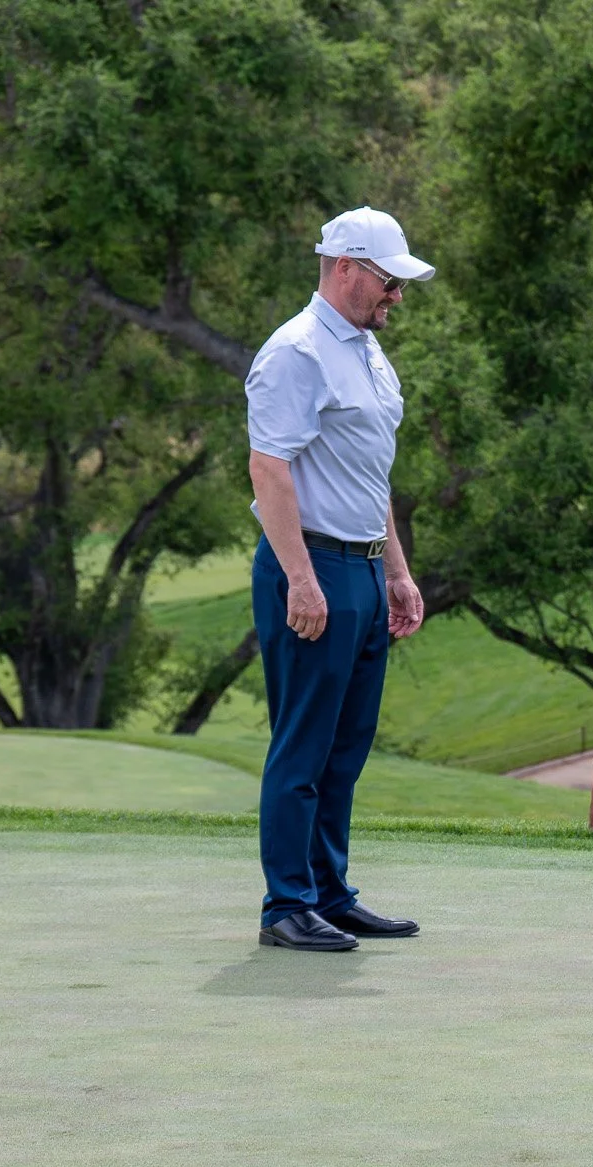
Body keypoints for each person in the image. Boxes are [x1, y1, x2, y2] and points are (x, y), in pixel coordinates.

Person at [245, 207, 434, 951]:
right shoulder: (296, 351)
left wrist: (397, 571)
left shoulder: (367, 350)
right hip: (311, 566)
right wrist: (300, 578)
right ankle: (286, 905)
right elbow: (269, 468)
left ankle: (329, 894)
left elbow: (368, 473)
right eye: (389, 282)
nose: (397, 296)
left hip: (362, 567)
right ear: (346, 267)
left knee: (345, 748)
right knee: (302, 747)